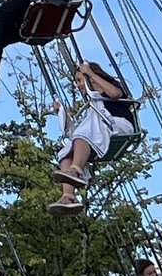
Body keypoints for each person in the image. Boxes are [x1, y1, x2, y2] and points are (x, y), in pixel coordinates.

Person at [49, 60, 136, 211]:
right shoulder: (94, 105)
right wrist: (61, 112)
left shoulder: (108, 87)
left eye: (79, 80)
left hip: (119, 124)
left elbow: (115, 94)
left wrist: (90, 73)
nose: (78, 85)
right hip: (102, 127)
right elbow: (73, 130)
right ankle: (68, 195)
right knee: (66, 151)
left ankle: (76, 169)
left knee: (85, 129)